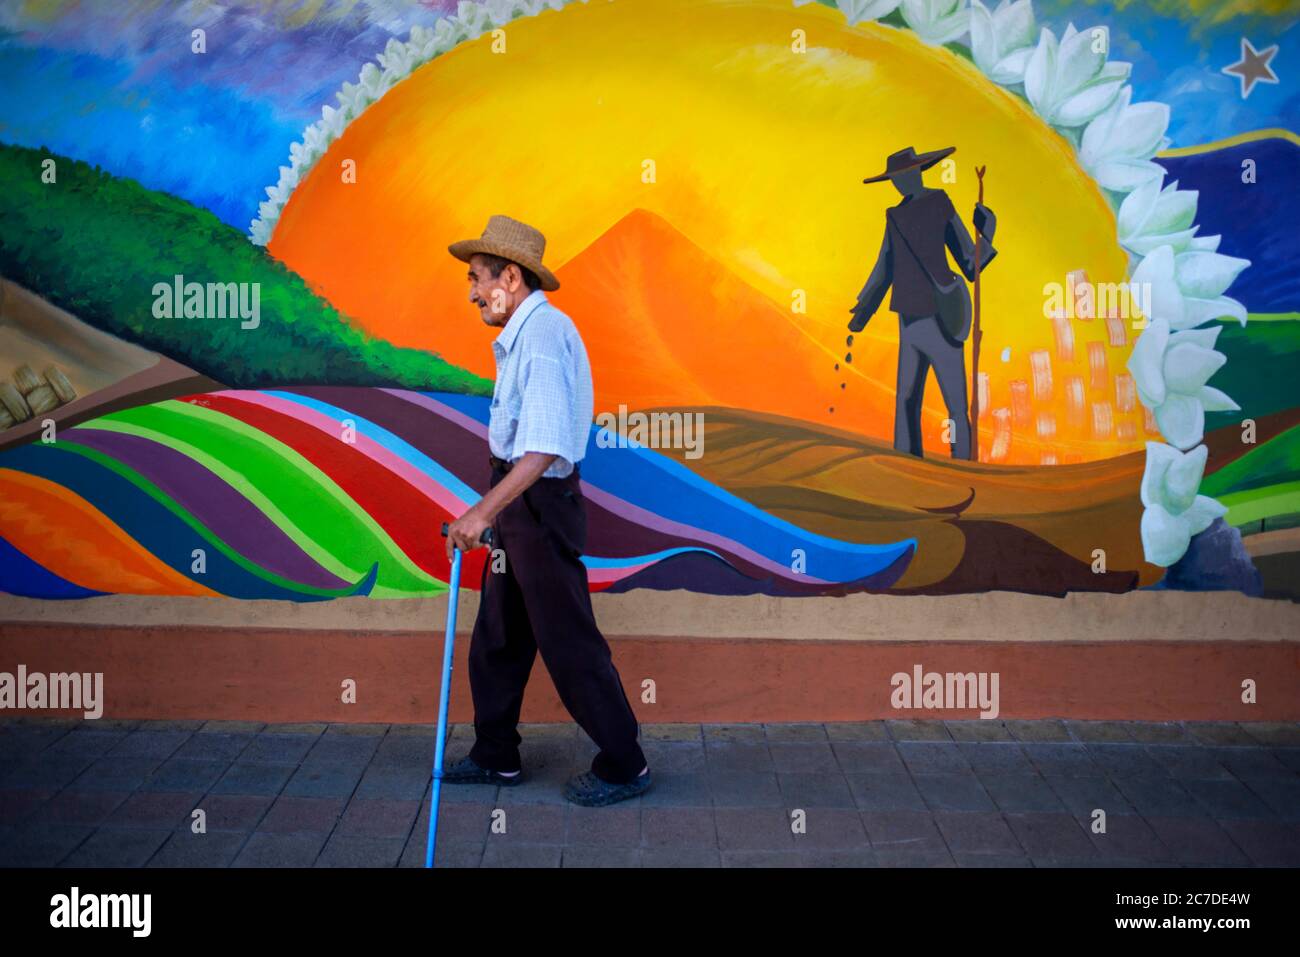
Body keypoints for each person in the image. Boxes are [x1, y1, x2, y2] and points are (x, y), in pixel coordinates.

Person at [440, 214, 652, 807]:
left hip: (537, 506)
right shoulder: (522, 336)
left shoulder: (541, 337)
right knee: (500, 635)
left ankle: (625, 763)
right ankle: (496, 755)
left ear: (511, 275)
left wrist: (482, 513)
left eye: (478, 278)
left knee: (568, 640)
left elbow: (544, 448)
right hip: (519, 505)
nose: (473, 292)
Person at [849, 146, 997, 460]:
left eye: (903, 176)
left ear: (917, 173)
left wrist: (988, 234)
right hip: (908, 319)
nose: (899, 183)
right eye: (894, 179)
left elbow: (970, 262)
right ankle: (906, 465)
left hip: (942, 316)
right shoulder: (895, 216)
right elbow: (884, 265)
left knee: (954, 404)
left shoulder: (939, 202)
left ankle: (962, 461)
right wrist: (863, 309)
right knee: (906, 399)